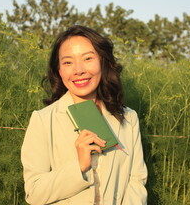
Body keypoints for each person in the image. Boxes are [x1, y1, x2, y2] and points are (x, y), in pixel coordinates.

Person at [21, 25, 148, 204]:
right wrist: (79, 166)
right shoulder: (43, 120)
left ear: (103, 62)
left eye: (88, 58)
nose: (78, 70)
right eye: (68, 62)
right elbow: (34, 192)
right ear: (59, 70)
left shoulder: (128, 118)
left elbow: (136, 181)